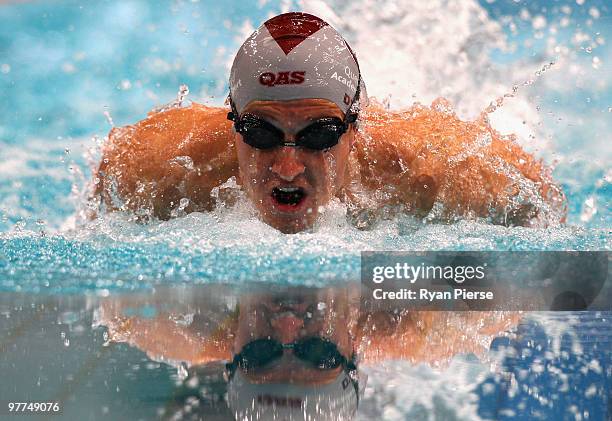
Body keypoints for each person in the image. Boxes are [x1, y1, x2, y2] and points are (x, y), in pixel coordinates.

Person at [93, 12, 566, 233]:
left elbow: (541, 203)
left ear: (355, 128)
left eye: (319, 134)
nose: (287, 164)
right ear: (232, 122)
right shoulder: (164, 168)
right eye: (260, 132)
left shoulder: (434, 171)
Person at [98, 284, 521, 420]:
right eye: (318, 352)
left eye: (260, 353)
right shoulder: (408, 315)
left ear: (231, 353)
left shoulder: (166, 321)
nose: (286, 324)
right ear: (354, 351)